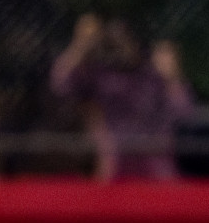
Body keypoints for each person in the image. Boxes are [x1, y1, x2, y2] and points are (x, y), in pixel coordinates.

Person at [50, 15, 194, 181]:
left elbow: (184, 111)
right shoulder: (99, 74)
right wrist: (81, 44)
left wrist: (172, 76)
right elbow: (60, 84)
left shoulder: (151, 75)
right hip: (112, 161)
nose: (120, 46)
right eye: (114, 40)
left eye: (125, 38)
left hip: (154, 161)